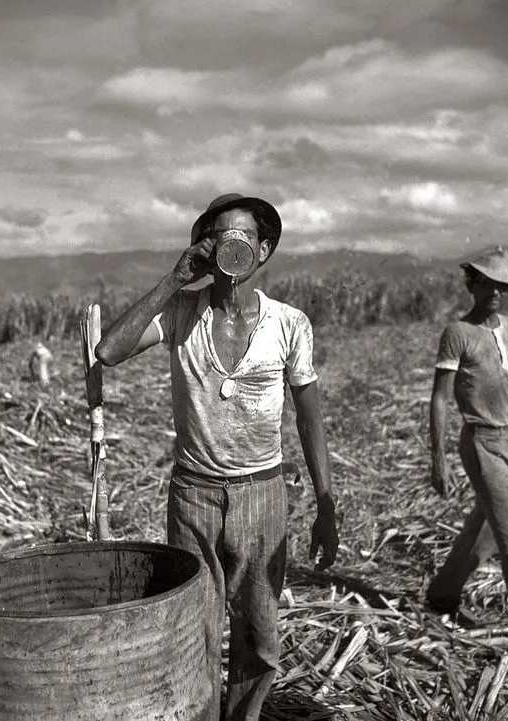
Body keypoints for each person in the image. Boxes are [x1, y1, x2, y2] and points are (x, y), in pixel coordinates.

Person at [95, 193, 340, 721]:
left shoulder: (289, 324)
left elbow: (310, 418)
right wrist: (173, 278)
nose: (232, 247)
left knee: (260, 637)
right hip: (195, 496)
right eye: (219, 237)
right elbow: (109, 351)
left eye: (243, 238)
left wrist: (325, 503)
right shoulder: (181, 314)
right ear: (205, 247)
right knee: (195, 634)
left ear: (263, 249)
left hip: (263, 495)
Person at [425, 246, 508, 626]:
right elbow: (440, 397)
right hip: (482, 443)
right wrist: (438, 457)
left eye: (503, 286)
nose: (496, 292)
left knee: (483, 530)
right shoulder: (458, 334)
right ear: (473, 285)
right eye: (487, 284)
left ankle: (441, 595)